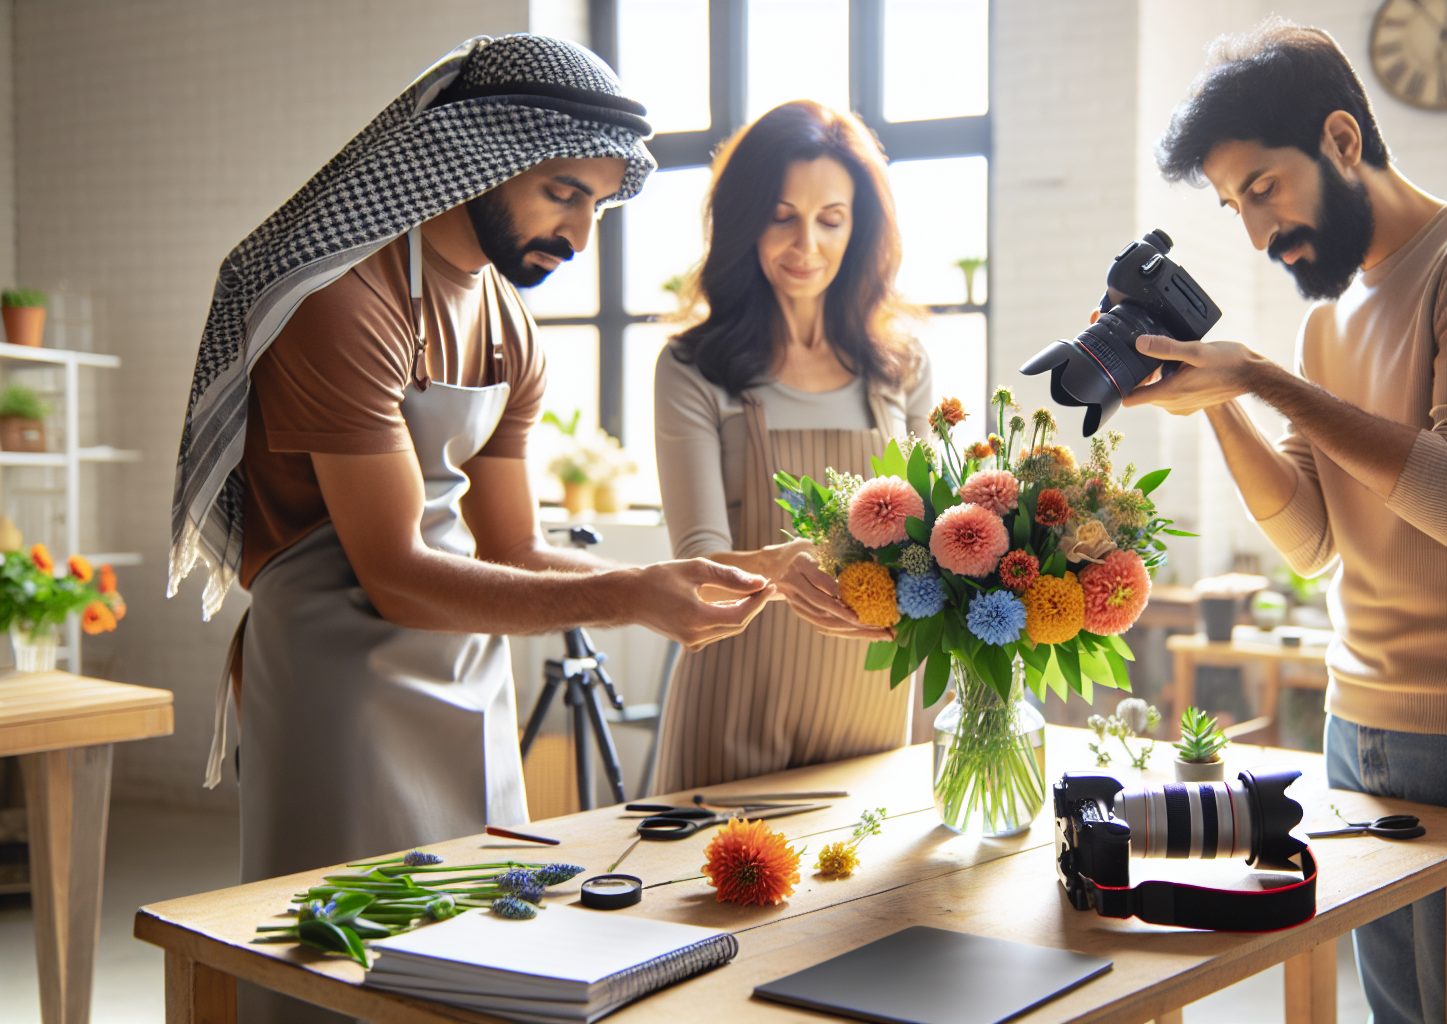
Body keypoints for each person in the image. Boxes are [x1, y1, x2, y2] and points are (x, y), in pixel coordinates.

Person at [168, 35, 777, 1021]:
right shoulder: (345, 301)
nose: (580, 233)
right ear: (479, 158)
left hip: (470, 669)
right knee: (344, 962)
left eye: (597, 205)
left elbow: (505, 551)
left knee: (486, 952)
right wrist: (627, 594)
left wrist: (722, 575)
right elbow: (396, 573)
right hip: (341, 680)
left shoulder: (509, 324)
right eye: (561, 192)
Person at [1129, 20, 1447, 1024]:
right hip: (1358, 715)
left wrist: (1261, 377)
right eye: (1231, 205)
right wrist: (1217, 401)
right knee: (1394, 1012)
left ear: (1342, 141)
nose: (1255, 231)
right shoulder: (1326, 319)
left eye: (1263, 189)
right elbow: (1309, 541)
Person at [651, 100, 932, 792]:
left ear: (858, 228)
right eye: (782, 216)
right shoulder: (694, 367)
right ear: (746, 219)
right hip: (732, 706)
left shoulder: (901, 369)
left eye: (830, 219)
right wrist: (778, 567)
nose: (806, 246)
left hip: (872, 710)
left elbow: (938, 538)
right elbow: (697, 563)